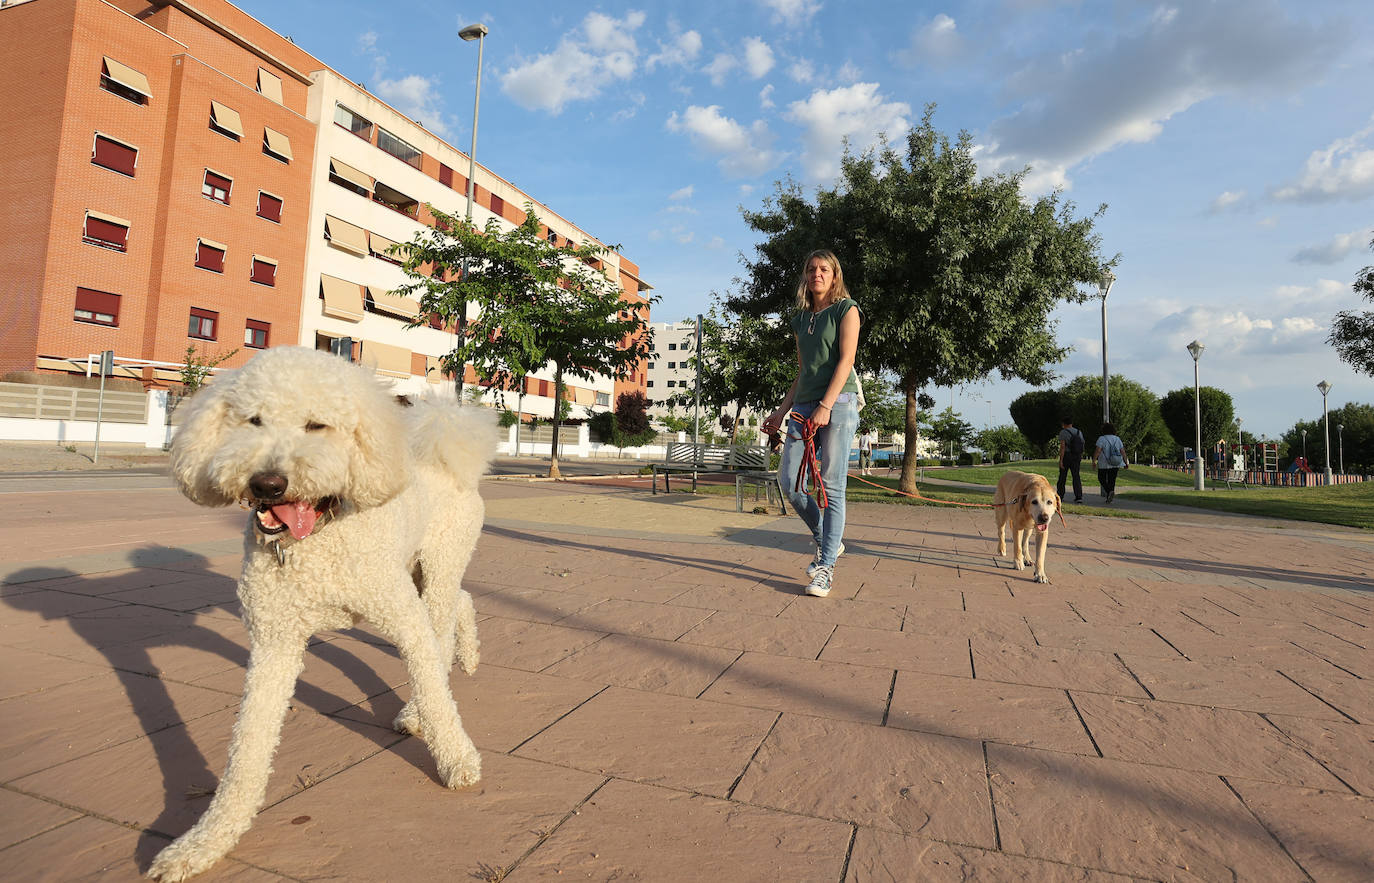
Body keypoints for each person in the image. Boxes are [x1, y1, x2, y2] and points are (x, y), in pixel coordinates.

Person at [763, 249, 863, 598]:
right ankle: (826, 541)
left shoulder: (846, 310)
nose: (816, 274)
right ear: (805, 276)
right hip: (804, 405)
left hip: (839, 403)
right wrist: (780, 412)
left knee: (832, 487)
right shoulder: (799, 319)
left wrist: (826, 405)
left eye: (824, 269)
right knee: (790, 482)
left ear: (834, 276)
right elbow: (804, 370)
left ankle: (825, 569)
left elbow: (846, 360)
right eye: (811, 269)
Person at [1056, 416, 1085, 504]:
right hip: (1076, 456)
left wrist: (1061, 460)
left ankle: (1060, 495)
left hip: (1067, 456)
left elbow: (1063, 447)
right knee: (1076, 476)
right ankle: (1078, 496)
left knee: (1062, 476)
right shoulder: (1079, 432)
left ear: (1063, 424)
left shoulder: (1063, 432)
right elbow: (1082, 444)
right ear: (1071, 423)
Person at [1094, 421, 1125, 504]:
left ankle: (1109, 492)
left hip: (1103, 463)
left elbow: (1098, 450)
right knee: (1112, 480)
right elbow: (1122, 451)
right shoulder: (1117, 439)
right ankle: (1110, 494)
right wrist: (1125, 462)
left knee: (1101, 478)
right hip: (1115, 462)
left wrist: (1094, 460)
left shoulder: (1101, 439)